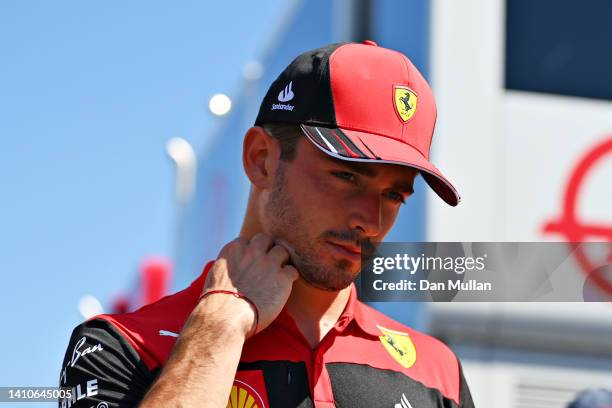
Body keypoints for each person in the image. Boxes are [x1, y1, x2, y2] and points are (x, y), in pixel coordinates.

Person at [58, 41, 474, 408]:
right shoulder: (119, 346)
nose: (370, 221)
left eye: (394, 194)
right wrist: (219, 327)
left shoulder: (437, 374)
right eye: (347, 176)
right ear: (261, 159)